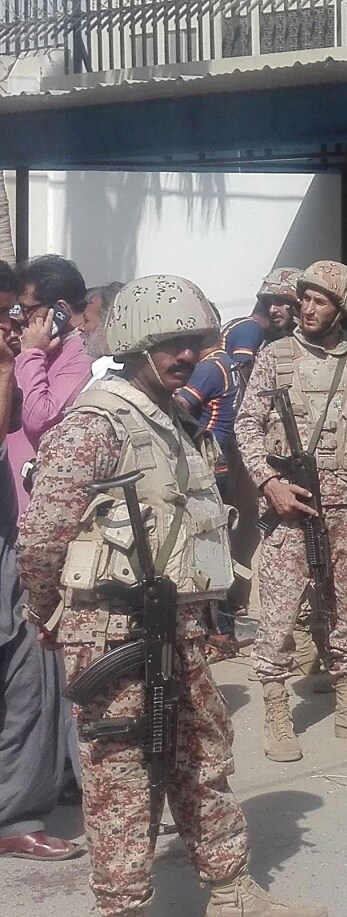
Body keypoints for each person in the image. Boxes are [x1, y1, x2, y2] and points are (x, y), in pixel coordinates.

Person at [19, 274, 325, 916]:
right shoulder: (97, 422)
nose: (187, 354)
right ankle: (124, 906)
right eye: (171, 343)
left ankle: (231, 889)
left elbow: (196, 527)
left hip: (179, 623)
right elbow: (42, 533)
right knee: (120, 776)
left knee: (204, 755)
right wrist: (47, 613)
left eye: (195, 341)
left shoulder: (178, 419)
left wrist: (211, 613)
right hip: (111, 627)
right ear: (134, 341)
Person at [233, 260, 347, 762]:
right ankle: (277, 709)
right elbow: (245, 428)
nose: (306, 308)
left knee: (346, 606)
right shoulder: (275, 356)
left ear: (342, 308)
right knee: (279, 608)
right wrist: (269, 482)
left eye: (320, 300)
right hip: (292, 502)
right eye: (304, 299)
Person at [0, 258, 81, 864]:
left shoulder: (65, 360)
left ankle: (19, 812)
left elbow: (27, 422)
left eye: (17, 311)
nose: (13, 323)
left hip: (18, 540)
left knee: (32, 677)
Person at [177, 267, 300, 642]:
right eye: (273, 300)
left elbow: (183, 405)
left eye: (286, 302)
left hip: (212, 461)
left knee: (206, 546)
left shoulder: (216, 364)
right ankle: (222, 626)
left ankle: (220, 628)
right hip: (222, 457)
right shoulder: (248, 333)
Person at [7, 254, 94, 504]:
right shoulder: (47, 347)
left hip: (40, 501)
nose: (21, 317)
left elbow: (40, 418)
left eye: (27, 308)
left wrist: (32, 354)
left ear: (60, 310)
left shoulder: (83, 353)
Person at [82, 282, 126, 382]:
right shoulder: (101, 368)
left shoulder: (117, 373)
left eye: (86, 320)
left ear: (109, 322)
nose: (81, 327)